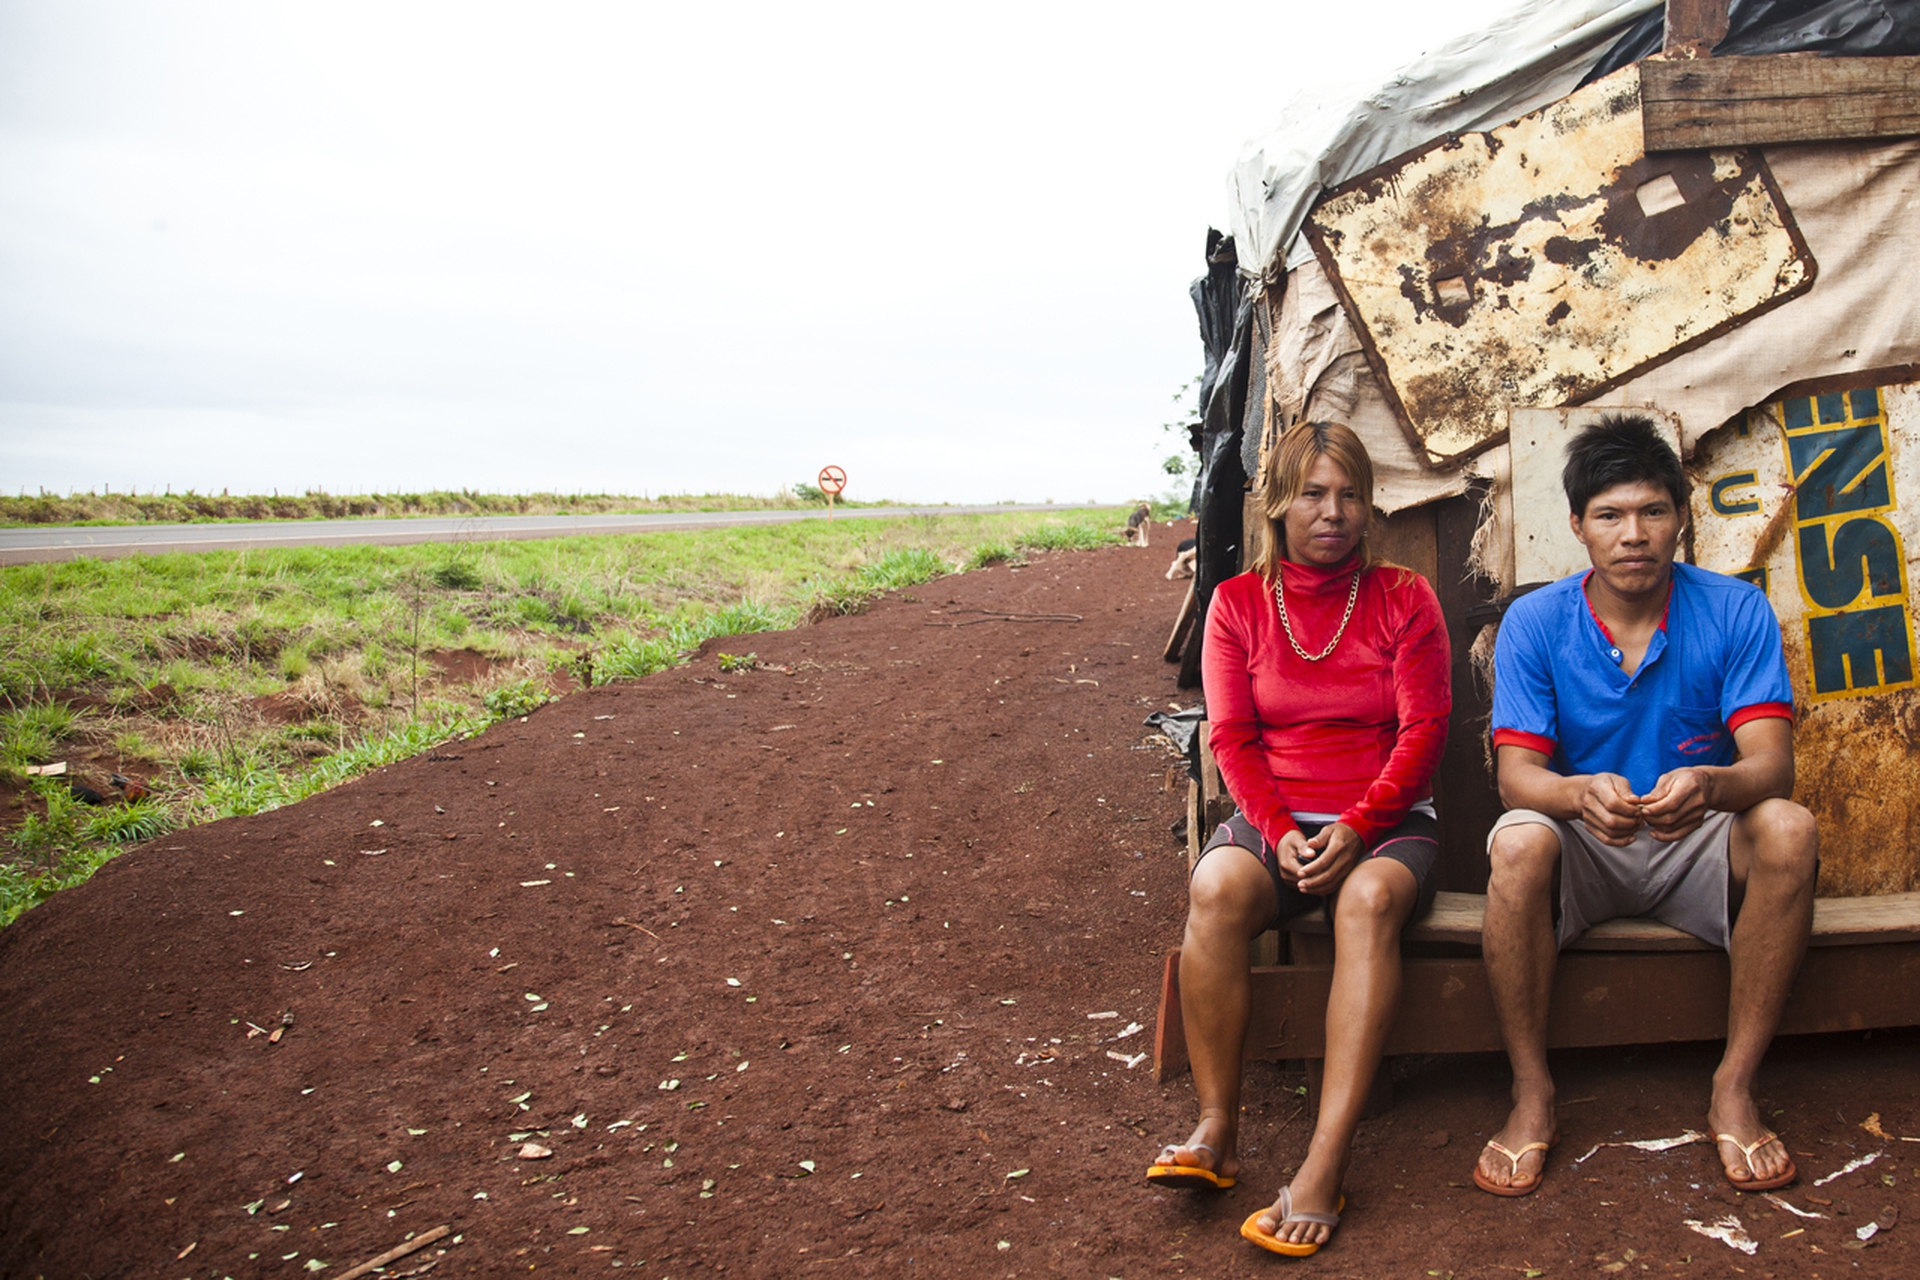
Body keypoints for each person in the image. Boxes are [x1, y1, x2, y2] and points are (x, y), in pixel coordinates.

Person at [1474, 412, 1818, 1198]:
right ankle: (1533, 1093)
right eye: (1610, 515)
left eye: (1652, 511)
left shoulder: (1733, 609)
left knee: (1790, 830)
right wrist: (1574, 792)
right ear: (1578, 528)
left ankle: (1733, 1086)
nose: (1634, 534)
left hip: (1699, 834)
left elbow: (1772, 766)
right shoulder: (1535, 621)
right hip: (1584, 841)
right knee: (1518, 840)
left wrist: (1710, 785)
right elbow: (1517, 778)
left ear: (1681, 518)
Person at [1146, 421, 1451, 1257]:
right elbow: (1233, 740)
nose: (1334, 512)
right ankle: (1218, 1128)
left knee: (1369, 900)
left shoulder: (1402, 597)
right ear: (1279, 502)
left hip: (1386, 827)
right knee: (1214, 890)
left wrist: (1358, 827)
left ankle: (1325, 1160)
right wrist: (1277, 833)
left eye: (1350, 494)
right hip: (1275, 821)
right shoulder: (1238, 604)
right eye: (1314, 494)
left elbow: (1425, 730)